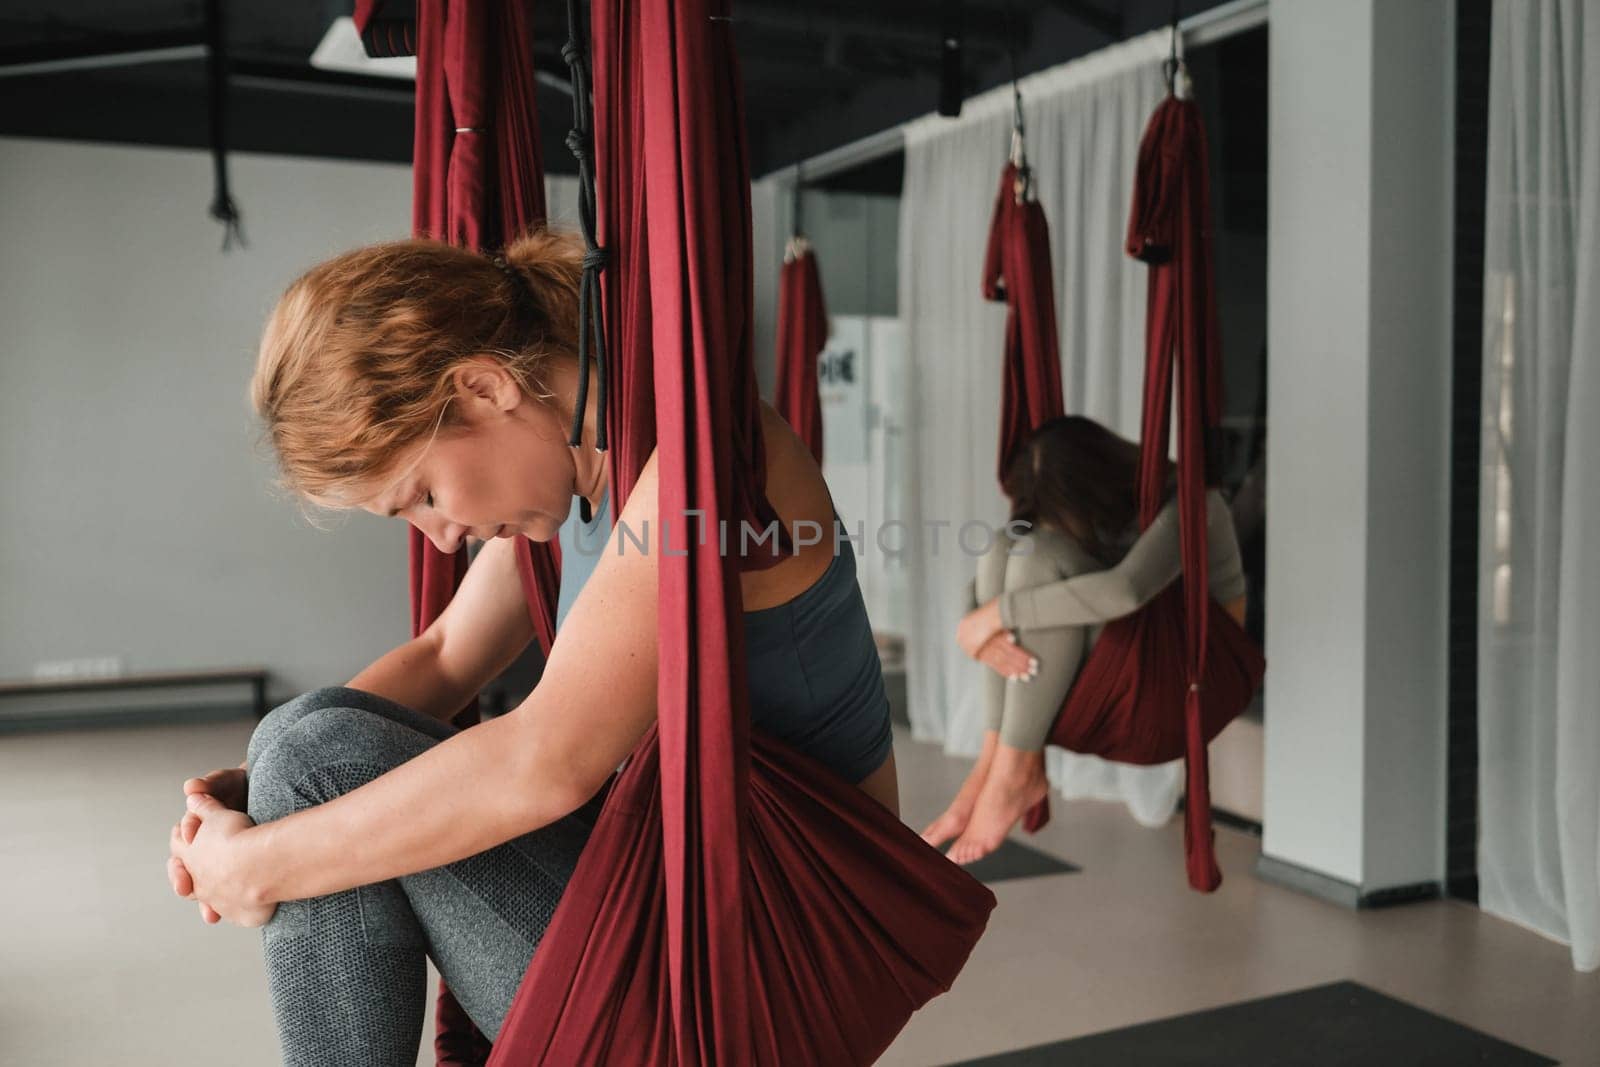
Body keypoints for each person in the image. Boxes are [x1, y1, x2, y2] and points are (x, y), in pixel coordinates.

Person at [163, 228, 897, 1065]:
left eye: (424, 495)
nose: (439, 540)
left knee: (314, 758)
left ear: (482, 387)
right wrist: (259, 791)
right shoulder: (577, 479)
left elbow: (545, 762)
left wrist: (258, 863)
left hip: (769, 971)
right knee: (295, 744)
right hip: (671, 909)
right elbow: (444, 657)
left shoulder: (706, 466)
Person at [920, 415, 1247, 864]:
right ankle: (995, 760)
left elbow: (1125, 590)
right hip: (1134, 653)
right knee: (1006, 547)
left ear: (1096, 486)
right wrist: (973, 626)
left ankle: (1015, 770)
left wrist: (996, 616)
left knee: (1039, 562)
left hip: (1191, 675)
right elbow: (995, 567)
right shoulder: (1101, 511)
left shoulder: (1194, 504)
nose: (1061, 522)